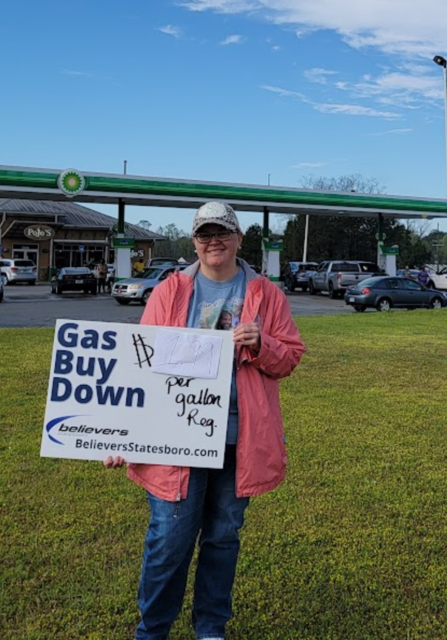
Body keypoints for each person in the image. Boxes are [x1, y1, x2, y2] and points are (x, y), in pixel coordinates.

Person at [104, 201, 306, 640]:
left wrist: (264, 342)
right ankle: (153, 630)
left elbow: (290, 358)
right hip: (177, 436)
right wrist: (121, 430)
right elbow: (139, 365)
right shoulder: (170, 291)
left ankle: (210, 628)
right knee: (169, 540)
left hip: (240, 439)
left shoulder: (266, 294)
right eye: (204, 234)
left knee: (222, 537)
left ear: (239, 238)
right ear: (194, 242)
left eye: (222, 232)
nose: (213, 241)